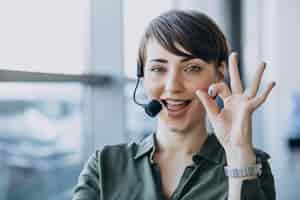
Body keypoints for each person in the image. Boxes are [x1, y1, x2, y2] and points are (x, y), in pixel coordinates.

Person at [72, 9, 276, 200]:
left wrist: (238, 155)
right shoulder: (104, 166)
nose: (172, 86)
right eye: (158, 69)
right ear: (142, 76)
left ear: (219, 72)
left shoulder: (252, 162)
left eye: (192, 68)